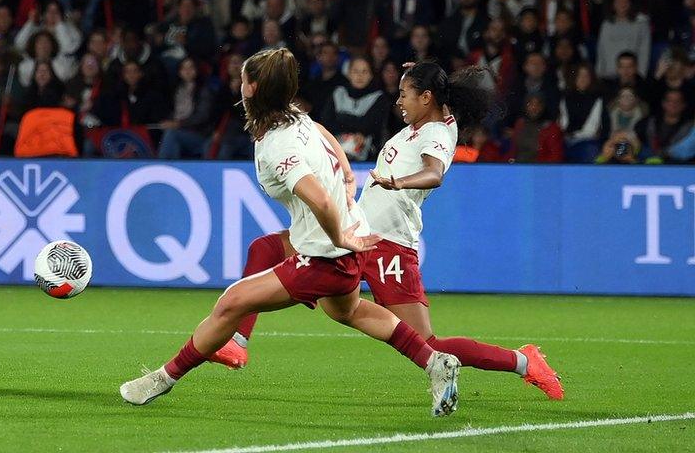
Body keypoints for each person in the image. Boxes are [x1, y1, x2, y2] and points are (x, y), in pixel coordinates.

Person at [119, 49, 463, 418]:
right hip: (347, 240)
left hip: (327, 254)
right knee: (347, 310)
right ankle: (435, 361)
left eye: (242, 78)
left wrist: (340, 238)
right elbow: (322, 132)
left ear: (251, 88)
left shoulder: (279, 146)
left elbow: (321, 201)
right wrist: (347, 174)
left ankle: (162, 378)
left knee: (232, 304)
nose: (239, 83)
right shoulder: (292, 116)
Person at [213, 62, 564, 401]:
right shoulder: (429, 118)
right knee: (267, 248)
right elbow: (435, 92)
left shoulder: (438, 133)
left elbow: (434, 173)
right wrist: (420, 70)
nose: (398, 101)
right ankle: (238, 343)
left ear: (426, 98)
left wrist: (397, 181)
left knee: (428, 343)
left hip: (388, 245)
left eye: (404, 94)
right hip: (358, 232)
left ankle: (523, 361)